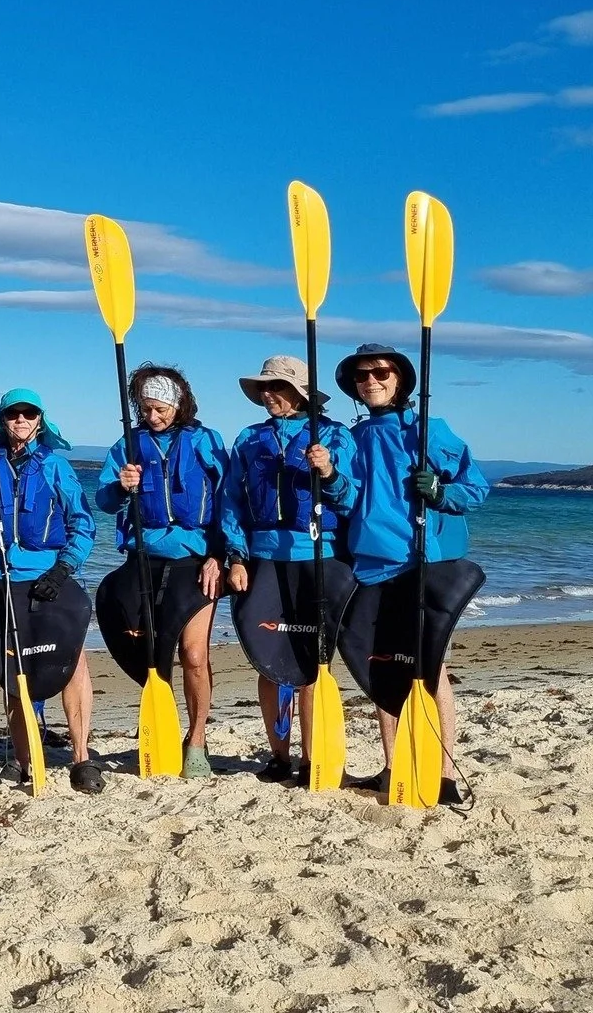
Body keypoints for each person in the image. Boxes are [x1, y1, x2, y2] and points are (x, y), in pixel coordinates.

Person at [333, 342, 489, 803]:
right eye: (362, 376)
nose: (372, 381)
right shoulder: (351, 438)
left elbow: (475, 489)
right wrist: (327, 478)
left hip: (422, 562)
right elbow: (346, 499)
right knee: (382, 666)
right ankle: (392, 765)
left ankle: (442, 774)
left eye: (381, 372)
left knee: (430, 666)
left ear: (399, 379)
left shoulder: (427, 430)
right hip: (370, 565)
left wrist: (440, 490)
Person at [219, 355, 359, 784]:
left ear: (300, 392)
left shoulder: (334, 435)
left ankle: (313, 757)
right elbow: (231, 501)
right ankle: (279, 756)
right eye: (264, 388)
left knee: (314, 664)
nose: (268, 395)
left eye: (277, 387)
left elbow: (352, 500)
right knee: (268, 660)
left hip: (318, 559)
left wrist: (329, 471)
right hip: (263, 560)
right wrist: (237, 557)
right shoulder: (249, 438)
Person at [95, 364, 234, 778]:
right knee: (153, 655)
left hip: (196, 560)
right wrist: (122, 486)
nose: (153, 417)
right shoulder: (130, 445)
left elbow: (228, 502)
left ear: (178, 405)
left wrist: (221, 555)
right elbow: (104, 501)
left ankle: (196, 742)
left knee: (193, 654)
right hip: (142, 559)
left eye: (160, 409)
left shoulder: (205, 441)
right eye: (145, 409)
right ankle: (163, 727)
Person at [0, 388, 100, 794]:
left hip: (48, 577)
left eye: (28, 413)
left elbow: (83, 522)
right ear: (1, 420)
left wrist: (63, 570)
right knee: (15, 671)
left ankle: (81, 758)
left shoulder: (55, 466)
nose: (20, 420)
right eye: (13, 414)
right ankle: (26, 762)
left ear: (40, 420)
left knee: (73, 662)